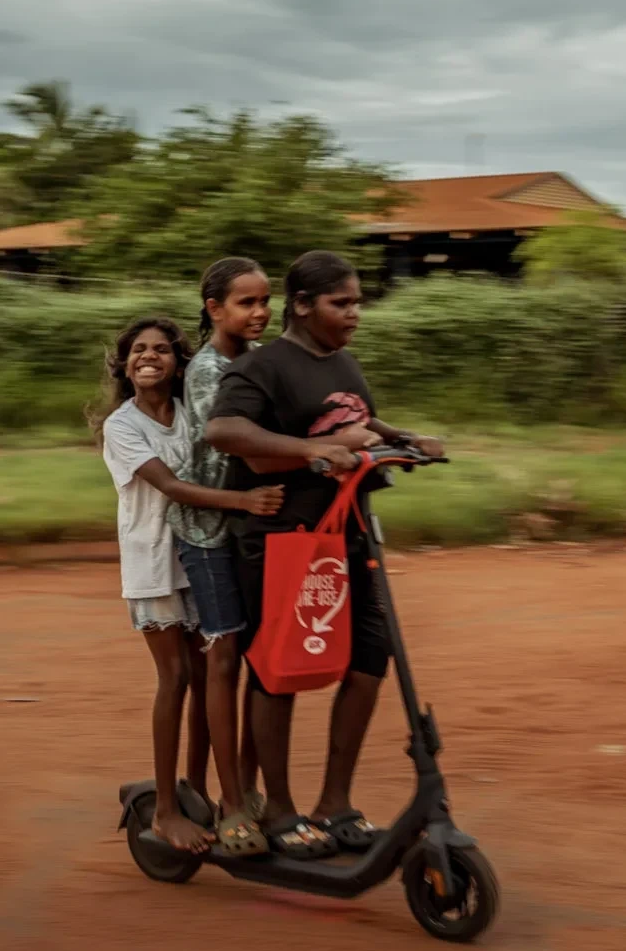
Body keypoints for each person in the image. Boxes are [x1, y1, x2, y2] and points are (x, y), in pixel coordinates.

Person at [204, 250, 444, 860]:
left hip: (351, 534)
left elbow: (353, 417)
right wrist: (320, 451)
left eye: (357, 302)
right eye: (342, 303)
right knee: (278, 666)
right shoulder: (264, 367)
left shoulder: (341, 361)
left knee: (371, 654)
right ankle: (280, 809)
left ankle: (334, 802)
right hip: (286, 537)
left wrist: (401, 438)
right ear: (303, 305)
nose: (355, 313)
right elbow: (228, 432)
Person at [91, 316, 283, 856]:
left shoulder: (188, 413)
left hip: (199, 553)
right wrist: (245, 502)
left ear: (179, 363)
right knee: (174, 678)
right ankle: (168, 813)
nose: (148, 357)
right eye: (138, 350)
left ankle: (201, 791)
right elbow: (172, 486)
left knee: (209, 679)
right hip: (155, 560)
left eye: (161, 350)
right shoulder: (122, 426)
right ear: (125, 364)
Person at [166, 258, 272, 858]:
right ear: (214, 310)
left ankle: (252, 793)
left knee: (262, 656)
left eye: (265, 302)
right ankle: (232, 804)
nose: (259, 313)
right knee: (224, 654)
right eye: (246, 303)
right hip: (208, 528)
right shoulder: (209, 370)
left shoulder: (256, 360)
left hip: (248, 526)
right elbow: (233, 441)